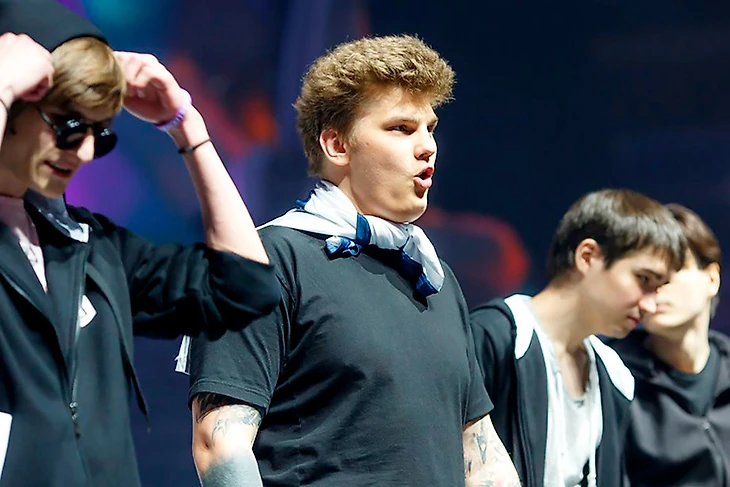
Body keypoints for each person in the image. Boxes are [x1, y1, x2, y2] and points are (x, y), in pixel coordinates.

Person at [181, 34, 520, 486]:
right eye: (401, 128)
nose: (427, 146)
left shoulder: (433, 279)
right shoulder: (264, 261)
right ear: (336, 145)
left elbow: (479, 451)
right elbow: (219, 444)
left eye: (430, 128)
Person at [0, 1, 279, 486]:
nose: (85, 151)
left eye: (99, 133)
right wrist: (2, 87)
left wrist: (186, 126)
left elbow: (245, 287)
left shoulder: (92, 248)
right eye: (69, 125)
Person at [470, 189, 686, 487]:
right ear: (587, 256)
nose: (650, 304)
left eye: (658, 288)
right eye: (644, 279)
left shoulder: (615, 375)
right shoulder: (494, 339)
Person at [609, 204, 730, 486]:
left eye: (673, 269)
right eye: (645, 276)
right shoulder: (613, 375)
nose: (657, 287)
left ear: (712, 279)